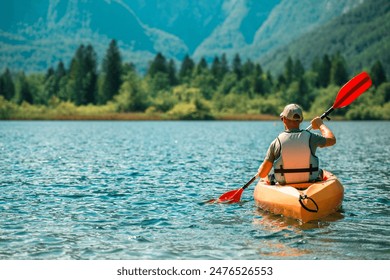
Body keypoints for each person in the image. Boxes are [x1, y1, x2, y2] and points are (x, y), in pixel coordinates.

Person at [257, 104, 336, 185]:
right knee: (320, 172)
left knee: (268, 176)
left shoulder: (276, 142)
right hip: (309, 182)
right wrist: (320, 124)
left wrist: (260, 170)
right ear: (301, 120)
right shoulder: (312, 137)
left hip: (284, 184)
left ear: (284, 119)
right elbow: (332, 140)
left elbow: (263, 174)